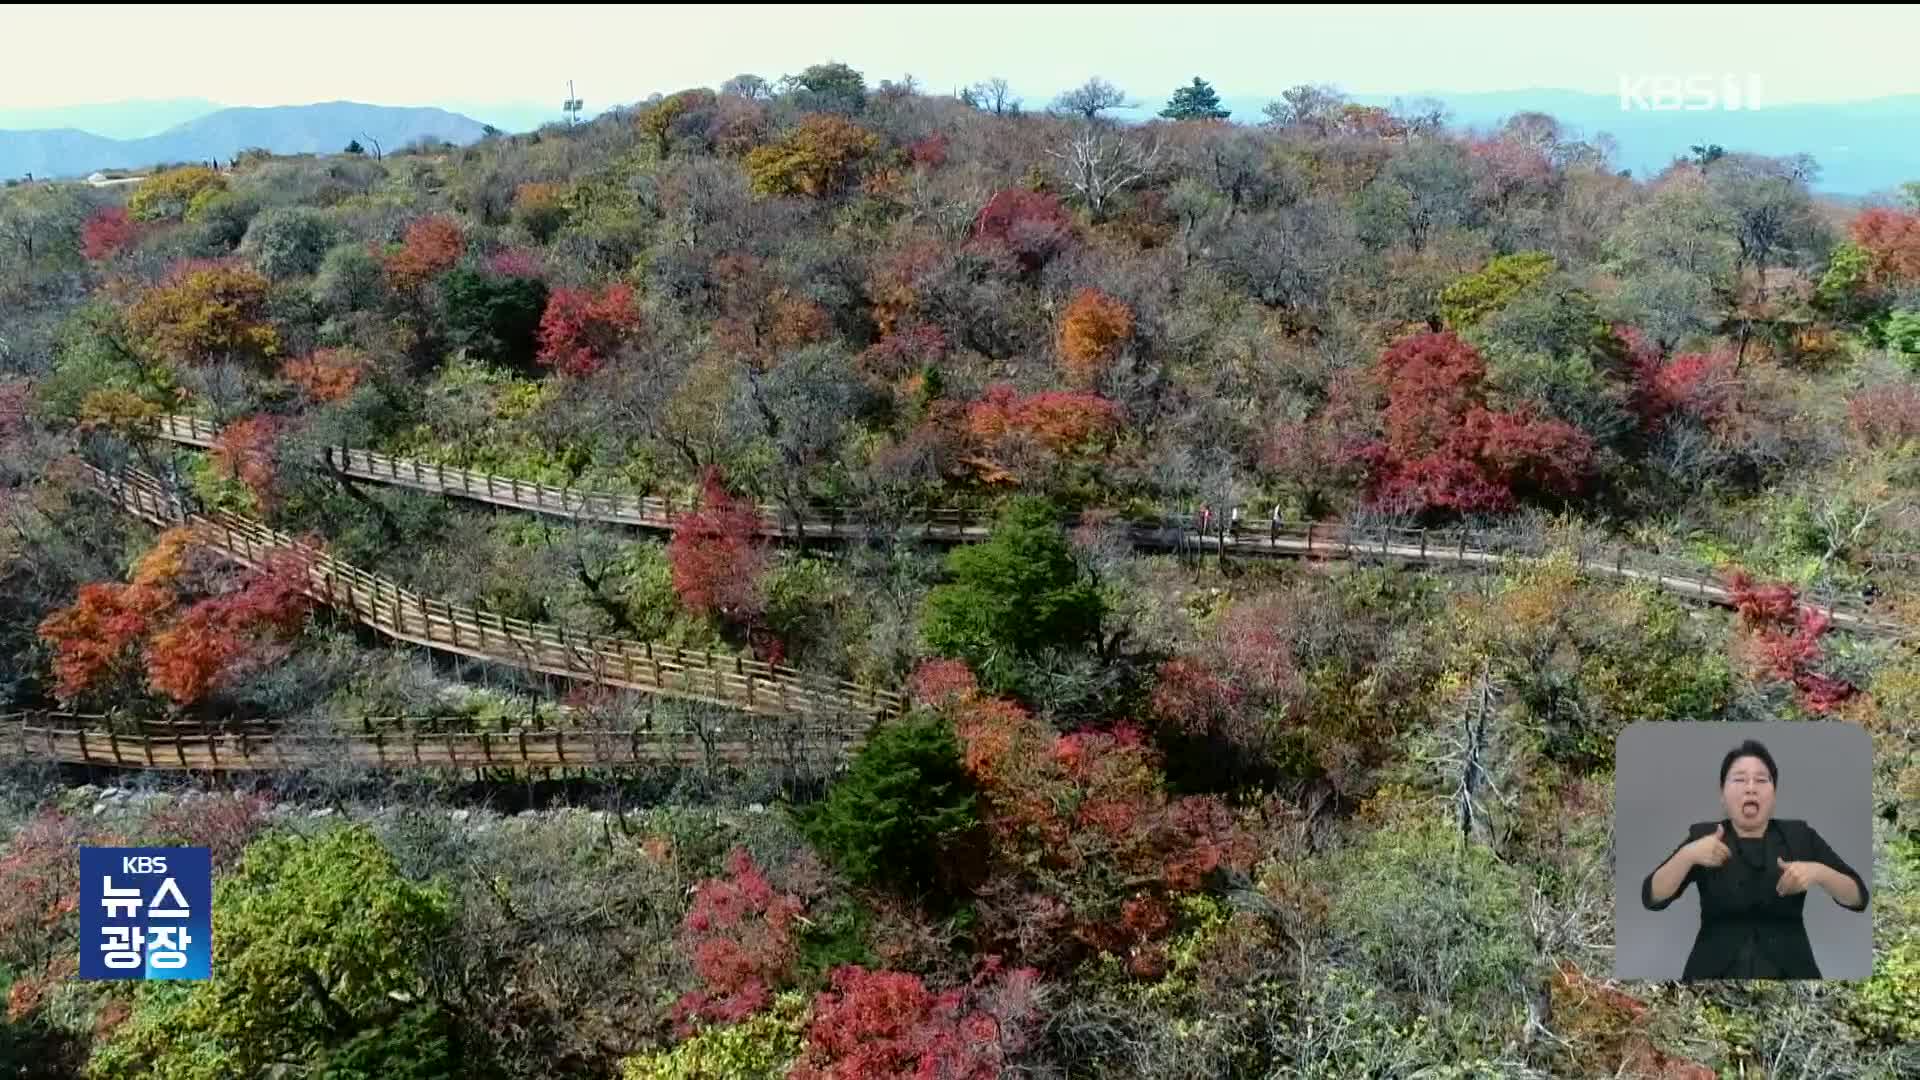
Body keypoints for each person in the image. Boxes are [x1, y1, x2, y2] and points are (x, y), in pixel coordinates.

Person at [1640, 739, 1869, 979]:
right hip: (1712, 975)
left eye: (1761, 780)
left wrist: (1819, 873)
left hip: (1791, 972)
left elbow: (1858, 897)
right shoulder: (1704, 837)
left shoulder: (1800, 836)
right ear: (1722, 794)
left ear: (1774, 793)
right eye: (1739, 779)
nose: (1751, 788)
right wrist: (1687, 856)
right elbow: (1653, 896)